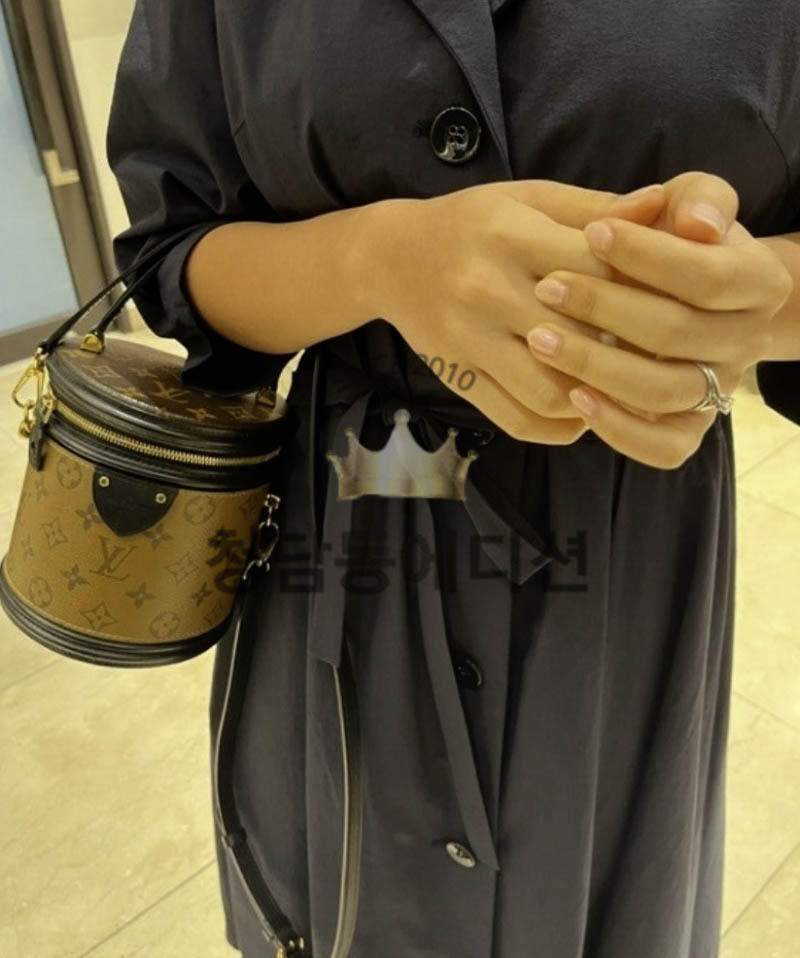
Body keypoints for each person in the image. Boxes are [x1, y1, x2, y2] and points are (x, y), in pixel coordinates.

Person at [105, 1, 800, 955]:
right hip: (352, 503)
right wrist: (377, 260)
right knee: (345, 885)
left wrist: (752, 308)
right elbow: (173, 248)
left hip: (633, 532)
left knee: (614, 895)